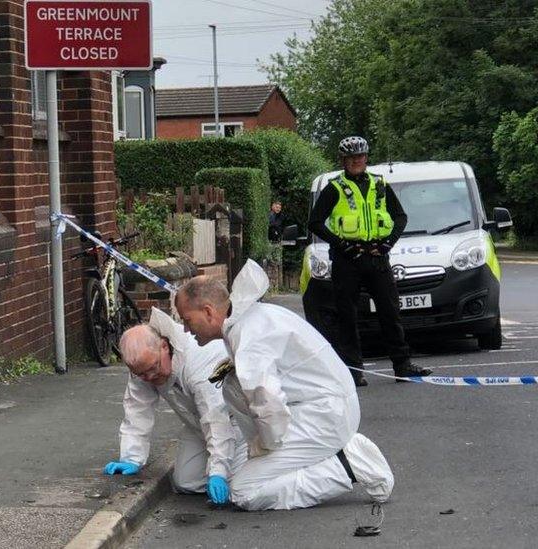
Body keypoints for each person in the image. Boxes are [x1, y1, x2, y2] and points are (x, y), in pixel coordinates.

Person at [174, 261, 394, 511]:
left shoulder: (249, 337)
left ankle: (346, 466)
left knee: (244, 490)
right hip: (321, 409)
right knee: (233, 388)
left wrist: (264, 449)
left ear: (209, 311)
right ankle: (336, 458)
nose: (184, 329)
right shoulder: (250, 320)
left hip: (323, 416)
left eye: (187, 319)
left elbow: (268, 404)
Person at [306, 136, 432, 386]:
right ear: (343, 160)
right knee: (348, 317)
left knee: (390, 312)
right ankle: (353, 371)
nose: (357, 161)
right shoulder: (335, 187)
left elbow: (400, 217)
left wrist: (387, 244)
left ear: (366, 158)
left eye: (360, 156)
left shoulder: (380, 184)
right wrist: (341, 245)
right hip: (347, 259)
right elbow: (315, 222)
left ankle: (402, 365)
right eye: (351, 158)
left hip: (377, 257)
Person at [102, 308, 247, 505]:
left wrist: (219, 471)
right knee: (185, 482)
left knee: (241, 488)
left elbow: (216, 419)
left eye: (153, 368)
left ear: (163, 346)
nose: (150, 377)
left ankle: (257, 461)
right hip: (197, 424)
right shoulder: (143, 365)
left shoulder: (197, 360)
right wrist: (131, 457)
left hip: (237, 421)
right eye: (142, 374)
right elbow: (137, 409)